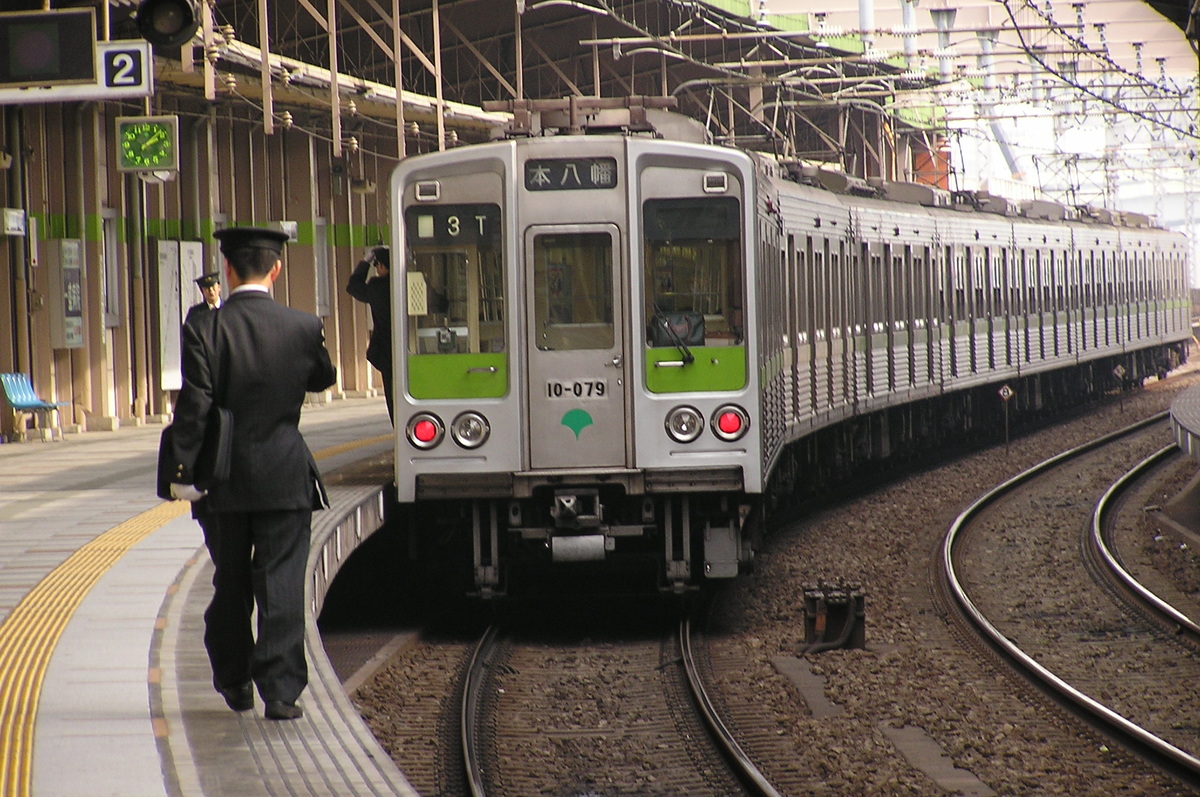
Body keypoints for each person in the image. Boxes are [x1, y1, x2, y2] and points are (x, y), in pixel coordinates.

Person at [167, 226, 337, 721]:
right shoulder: (303, 326)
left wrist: (183, 471)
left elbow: (194, 405)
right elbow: (323, 377)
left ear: (229, 269)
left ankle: (235, 680)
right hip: (286, 476)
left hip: (223, 481)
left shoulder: (204, 328)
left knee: (231, 582)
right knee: (282, 583)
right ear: (276, 269)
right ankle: (282, 693)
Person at [346, 245, 393, 424]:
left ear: (381, 266)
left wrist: (364, 262)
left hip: (387, 351)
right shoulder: (407, 283)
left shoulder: (377, 287)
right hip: (411, 349)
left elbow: (353, 287)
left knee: (392, 394)